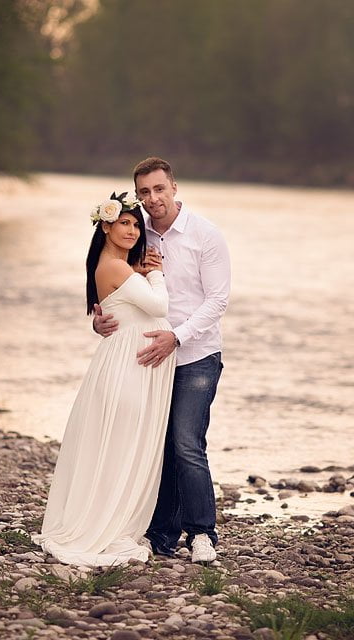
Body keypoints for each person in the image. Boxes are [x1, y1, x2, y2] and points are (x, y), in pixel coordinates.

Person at [93, 157, 230, 564]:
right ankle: (161, 534)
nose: (152, 199)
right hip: (150, 358)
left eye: (159, 190)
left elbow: (218, 300)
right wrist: (100, 324)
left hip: (196, 355)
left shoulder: (206, 235)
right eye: (144, 193)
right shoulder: (137, 232)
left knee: (187, 444)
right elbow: (116, 289)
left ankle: (203, 533)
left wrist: (178, 336)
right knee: (156, 444)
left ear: (173, 188)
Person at [33, 191, 175, 566]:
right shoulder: (114, 266)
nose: (131, 231)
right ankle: (103, 526)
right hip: (128, 367)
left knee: (121, 446)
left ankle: (112, 522)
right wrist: (156, 271)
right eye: (123, 223)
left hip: (132, 361)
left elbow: (133, 308)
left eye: (135, 225)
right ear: (106, 227)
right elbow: (159, 306)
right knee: (119, 446)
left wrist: (142, 276)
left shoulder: (122, 269)